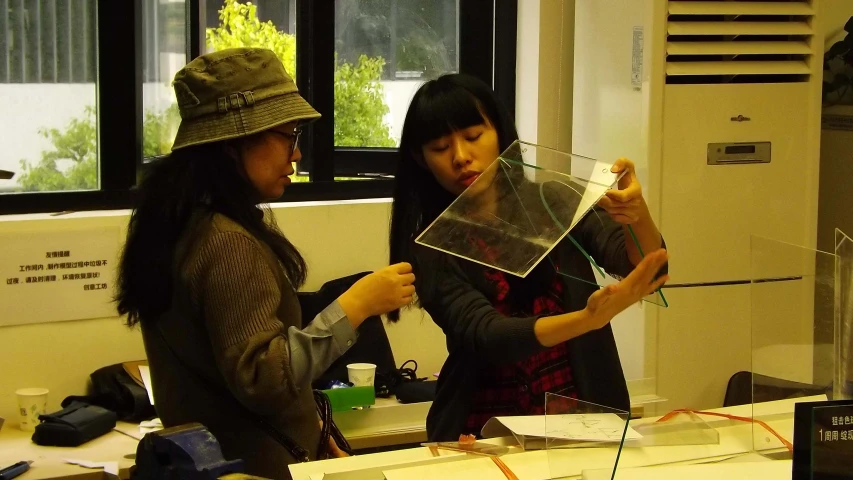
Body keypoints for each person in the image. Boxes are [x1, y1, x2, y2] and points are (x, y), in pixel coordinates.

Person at [115, 48, 415, 479]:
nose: (296, 156)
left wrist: (306, 425)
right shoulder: (227, 245)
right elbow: (264, 379)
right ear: (234, 143)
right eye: (289, 136)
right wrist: (356, 305)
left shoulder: (178, 228)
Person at [388, 73, 669, 441]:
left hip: (581, 412)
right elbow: (489, 336)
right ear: (421, 159)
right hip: (483, 429)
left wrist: (637, 214)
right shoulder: (429, 247)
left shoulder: (553, 201)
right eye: (440, 147)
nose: (461, 157)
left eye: (473, 137)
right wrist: (586, 318)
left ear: (500, 133)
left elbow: (645, 265)